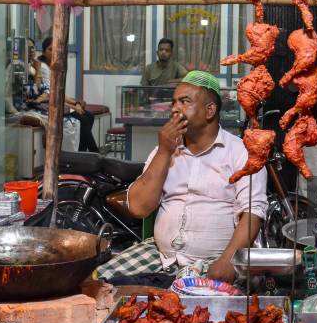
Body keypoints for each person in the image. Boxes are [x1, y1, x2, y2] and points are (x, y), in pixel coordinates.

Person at [97, 71, 267, 283]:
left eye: (185, 101)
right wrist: (164, 151)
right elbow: (139, 208)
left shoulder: (240, 152)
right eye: (174, 102)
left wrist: (228, 260)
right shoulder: (165, 150)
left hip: (215, 260)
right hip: (161, 256)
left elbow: (252, 212)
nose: (175, 108)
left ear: (210, 110)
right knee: (98, 282)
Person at [32, 37, 99, 153]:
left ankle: (82, 153)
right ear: (43, 52)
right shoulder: (43, 68)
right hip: (46, 104)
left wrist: (75, 103)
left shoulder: (54, 66)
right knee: (83, 119)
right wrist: (74, 106)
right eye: (50, 50)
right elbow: (50, 94)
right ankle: (94, 153)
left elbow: (59, 92)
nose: (54, 53)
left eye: (57, 50)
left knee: (89, 116)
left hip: (55, 100)